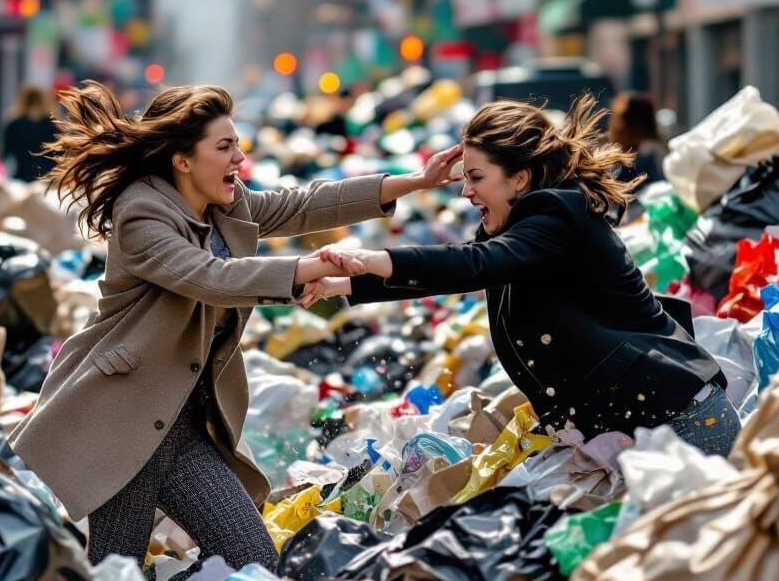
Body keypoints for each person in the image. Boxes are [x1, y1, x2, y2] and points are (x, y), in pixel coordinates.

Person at [7, 80, 461, 569]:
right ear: (182, 160)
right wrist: (311, 267)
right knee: (117, 574)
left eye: (237, 144)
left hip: (186, 429)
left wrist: (413, 181)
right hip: (126, 423)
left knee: (254, 560)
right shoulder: (141, 214)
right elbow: (209, 278)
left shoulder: (226, 203)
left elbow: (303, 204)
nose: (239, 158)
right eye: (224, 147)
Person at [304, 95, 740, 456]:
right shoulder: (522, 228)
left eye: (476, 177)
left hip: (683, 422)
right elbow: (461, 270)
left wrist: (373, 256)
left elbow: (474, 264)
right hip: (638, 428)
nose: (465, 190)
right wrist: (344, 282)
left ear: (520, 178)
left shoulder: (556, 216)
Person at [3, 84, 60, 182]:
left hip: (22, 175)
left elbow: (7, 151)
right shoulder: (52, 124)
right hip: (47, 176)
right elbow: (60, 152)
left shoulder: (14, 124)